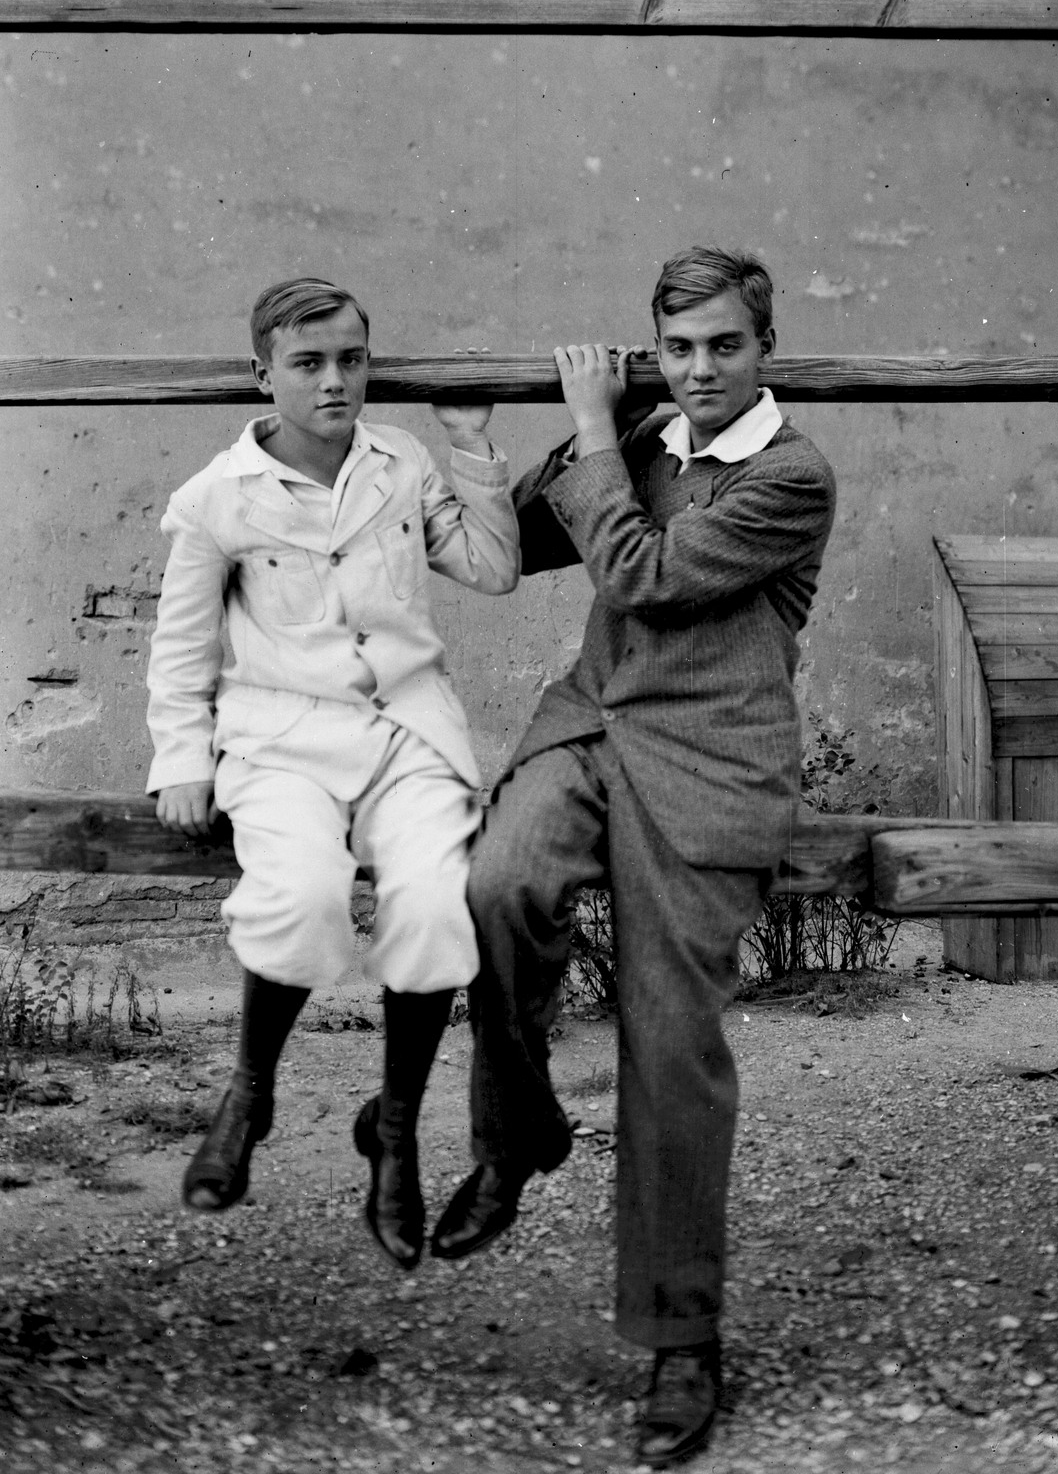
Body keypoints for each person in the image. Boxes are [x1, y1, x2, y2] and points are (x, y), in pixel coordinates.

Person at [429, 246, 837, 1467]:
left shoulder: (792, 475)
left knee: (669, 1039)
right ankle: (517, 1136)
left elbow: (641, 574)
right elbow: (519, 550)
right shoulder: (644, 439)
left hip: (708, 762)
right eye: (678, 349)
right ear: (653, 351)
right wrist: (474, 440)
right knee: (494, 887)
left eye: (722, 345)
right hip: (590, 725)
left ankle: (680, 1336)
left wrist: (597, 428)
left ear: (763, 349)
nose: (700, 369)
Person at [146, 276, 518, 1271]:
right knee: (302, 893)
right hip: (278, 738)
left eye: (351, 359)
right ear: (261, 374)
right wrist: (179, 760)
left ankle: (393, 1137)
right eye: (307, 364)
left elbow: (489, 568)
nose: (334, 382)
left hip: (405, 729)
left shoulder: (398, 466)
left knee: (438, 906)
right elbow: (180, 649)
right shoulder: (216, 498)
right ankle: (250, 1092)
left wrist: (471, 442)